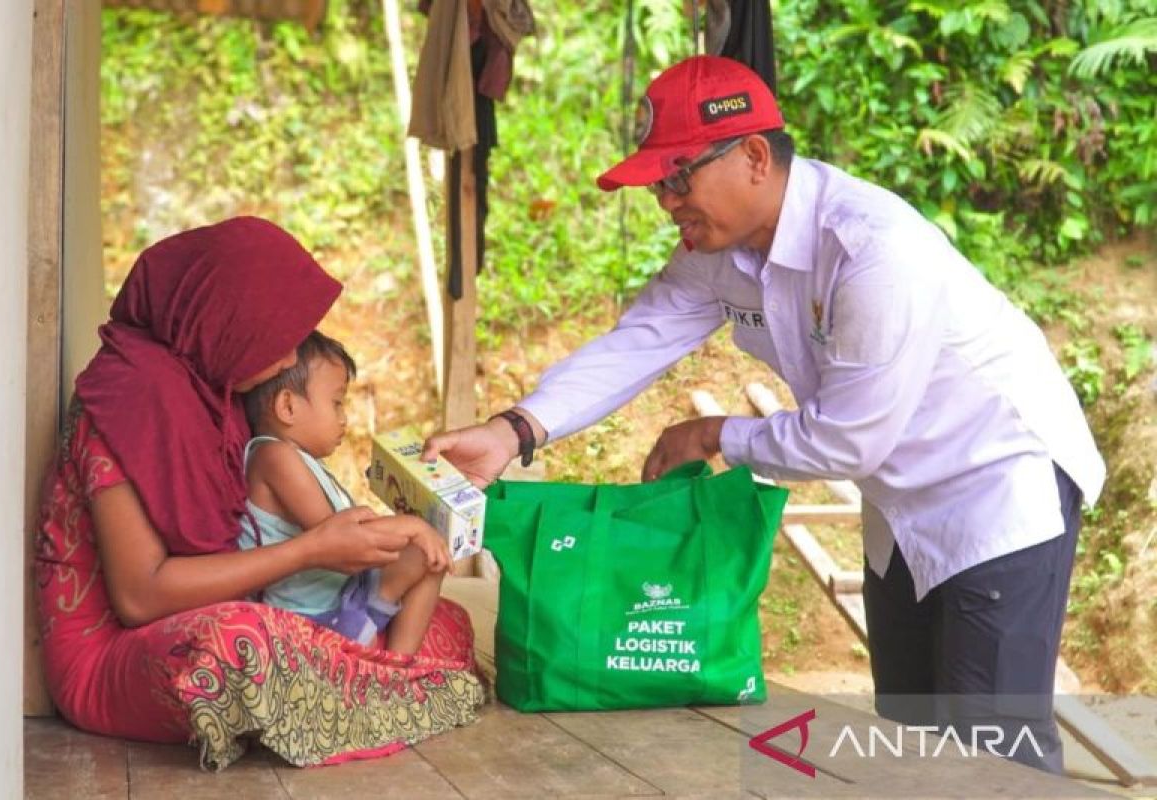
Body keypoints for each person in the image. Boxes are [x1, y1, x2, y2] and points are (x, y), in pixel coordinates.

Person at [424, 55, 1105, 773]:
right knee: (909, 736)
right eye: (659, 184)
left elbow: (847, 440)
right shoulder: (722, 248)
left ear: (752, 155)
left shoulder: (874, 251)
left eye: (679, 176)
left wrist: (714, 432)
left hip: (994, 489)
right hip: (900, 508)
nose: (667, 202)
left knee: (993, 752)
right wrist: (514, 429)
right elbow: (641, 338)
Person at [34, 216, 483, 771]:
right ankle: (365, 679)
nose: (290, 360)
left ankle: (361, 676)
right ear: (224, 322)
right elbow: (139, 598)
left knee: (443, 622)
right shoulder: (128, 405)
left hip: (230, 603)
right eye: (278, 336)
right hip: (113, 653)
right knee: (240, 643)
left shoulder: (213, 392)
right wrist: (309, 552)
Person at [239, 330, 452, 654]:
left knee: (432, 555)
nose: (344, 419)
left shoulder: (305, 461)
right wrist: (413, 525)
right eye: (336, 403)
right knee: (423, 538)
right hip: (306, 616)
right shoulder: (274, 457)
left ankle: (397, 665)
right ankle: (367, 624)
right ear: (287, 406)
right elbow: (343, 539)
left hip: (345, 591)